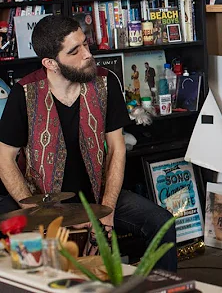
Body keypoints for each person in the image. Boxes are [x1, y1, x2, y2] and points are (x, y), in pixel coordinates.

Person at [0, 15, 177, 271]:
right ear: (51, 63)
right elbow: (4, 159)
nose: (87, 55)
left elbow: (117, 149)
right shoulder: (24, 93)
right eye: (75, 51)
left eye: (85, 44)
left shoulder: (106, 82)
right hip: (41, 198)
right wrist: (37, 212)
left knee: (163, 223)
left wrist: (108, 208)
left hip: (96, 195)